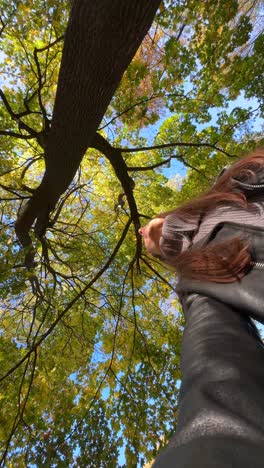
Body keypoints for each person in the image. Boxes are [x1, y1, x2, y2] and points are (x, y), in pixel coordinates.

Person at [139, 148, 264, 468]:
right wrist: (211, 447)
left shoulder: (240, 180)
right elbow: (215, 355)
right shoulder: (199, 278)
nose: (140, 231)